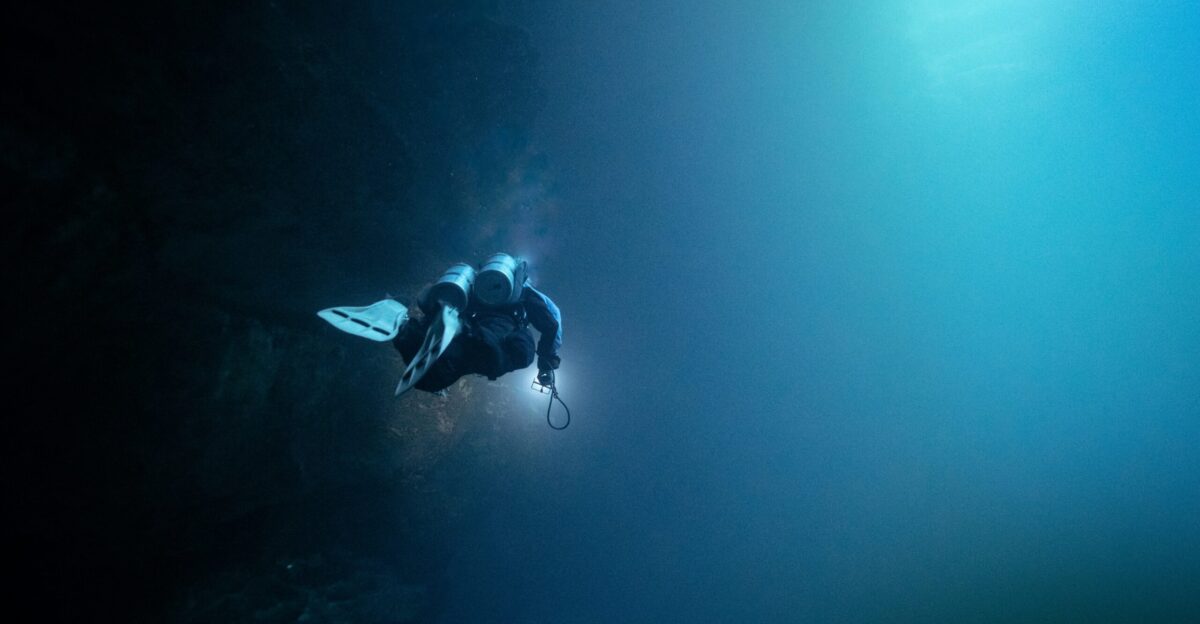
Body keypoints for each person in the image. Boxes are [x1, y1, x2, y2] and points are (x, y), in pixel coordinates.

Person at [391, 253, 561, 394]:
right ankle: (458, 329)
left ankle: (404, 327)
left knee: (431, 380)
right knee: (519, 354)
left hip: (470, 324)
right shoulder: (526, 292)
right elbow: (552, 324)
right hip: (491, 331)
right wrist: (546, 364)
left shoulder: (477, 284)